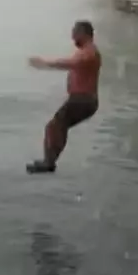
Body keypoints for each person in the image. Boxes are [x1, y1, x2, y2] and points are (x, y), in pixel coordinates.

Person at [26, 20, 101, 174]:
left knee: (56, 125)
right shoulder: (86, 50)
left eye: (74, 34)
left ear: (83, 34)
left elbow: (72, 63)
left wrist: (45, 63)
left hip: (83, 100)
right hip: (82, 100)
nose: (72, 38)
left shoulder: (89, 51)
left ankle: (49, 163)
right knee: (57, 126)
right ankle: (49, 161)